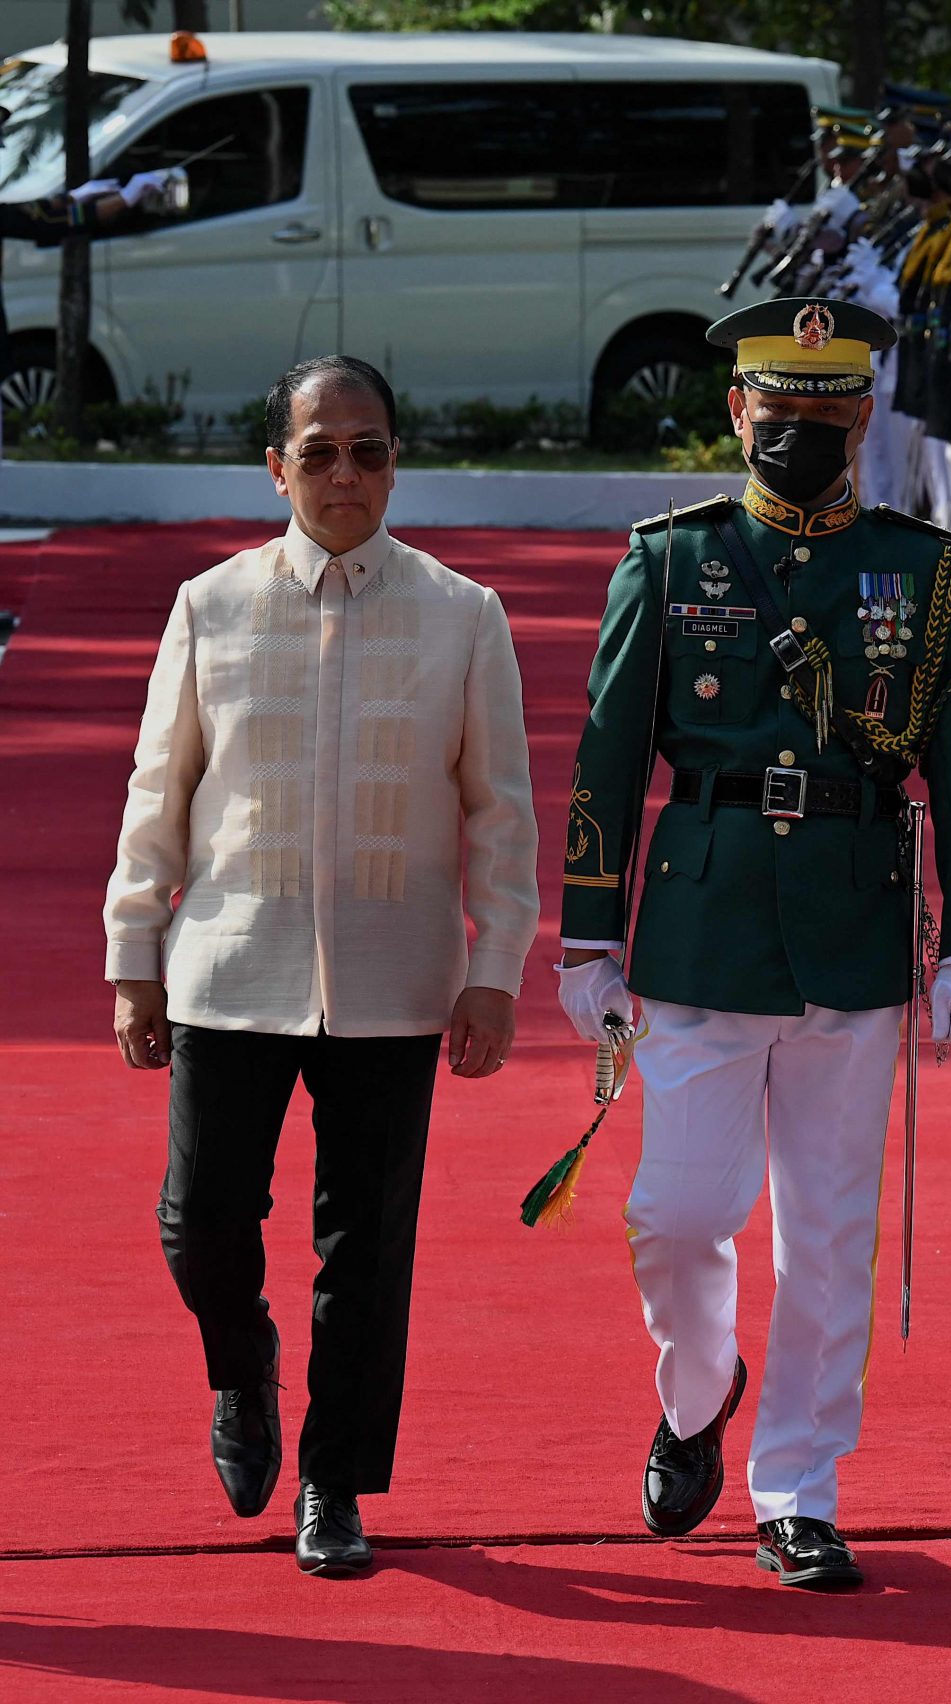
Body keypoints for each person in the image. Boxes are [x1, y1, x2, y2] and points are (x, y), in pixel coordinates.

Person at [556, 295, 951, 1592]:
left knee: (828, 1235)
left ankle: (800, 1487)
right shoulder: (671, 558)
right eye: (775, 407)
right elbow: (607, 753)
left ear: (863, 415)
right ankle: (697, 1388)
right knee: (678, 1215)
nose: (797, 430)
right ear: (735, 410)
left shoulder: (926, 571)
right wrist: (589, 930)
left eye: (824, 410)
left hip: (855, 928)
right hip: (702, 923)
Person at [105, 354, 540, 1577]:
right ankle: (241, 1373)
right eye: (321, 452)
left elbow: (500, 811)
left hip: (394, 980)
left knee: (366, 1247)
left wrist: (495, 963)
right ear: (277, 467)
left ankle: (333, 1481)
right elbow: (160, 791)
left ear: (398, 459)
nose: (347, 474)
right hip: (230, 964)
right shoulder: (212, 604)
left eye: (371, 449)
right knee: (201, 1228)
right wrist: (133, 953)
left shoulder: (463, 614)